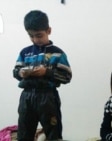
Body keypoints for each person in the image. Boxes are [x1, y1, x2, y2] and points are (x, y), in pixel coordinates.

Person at [13, 10, 72, 141]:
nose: (35, 39)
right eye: (31, 36)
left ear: (48, 30)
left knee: (53, 133)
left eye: (39, 35)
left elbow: (67, 76)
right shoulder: (25, 52)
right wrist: (21, 73)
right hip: (27, 97)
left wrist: (47, 72)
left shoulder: (58, 53)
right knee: (24, 133)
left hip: (48, 97)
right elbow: (15, 71)